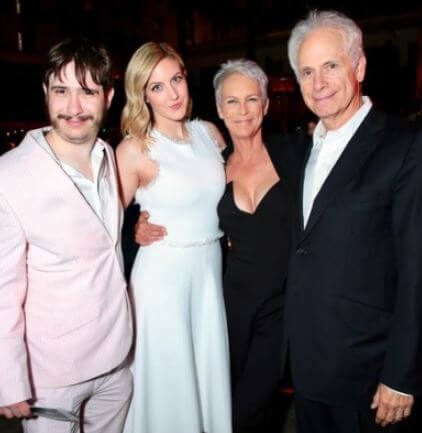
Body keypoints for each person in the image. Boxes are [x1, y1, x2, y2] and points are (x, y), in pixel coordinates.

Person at [136, 59, 305, 433]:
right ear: (219, 108)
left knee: (248, 409)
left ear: (265, 104)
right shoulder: (217, 164)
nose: (242, 111)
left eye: (250, 100)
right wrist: (139, 223)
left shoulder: (295, 154)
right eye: (231, 101)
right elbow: (179, 202)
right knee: (218, 407)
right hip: (226, 306)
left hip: (281, 309)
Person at [284, 10, 422, 433]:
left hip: (370, 376)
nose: (318, 83)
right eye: (307, 71)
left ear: (359, 66)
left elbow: (418, 266)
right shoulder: (301, 148)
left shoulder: (404, 146)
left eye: (330, 66)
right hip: (307, 368)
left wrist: (402, 374)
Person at [0, 37, 133, 433]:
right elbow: (2, 288)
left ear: (108, 96)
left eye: (87, 92)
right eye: (61, 91)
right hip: (52, 377)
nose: (73, 108)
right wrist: (8, 377)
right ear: (46, 93)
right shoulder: (9, 175)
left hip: (116, 362)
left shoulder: (107, 153)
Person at [116, 42, 232, 433]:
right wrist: (133, 231)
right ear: (142, 95)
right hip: (161, 281)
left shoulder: (210, 134)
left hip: (208, 275)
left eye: (176, 79)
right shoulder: (135, 149)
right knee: (168, 386)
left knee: (205, 376)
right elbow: (100, 223)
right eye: (157, 87)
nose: (173, 94)